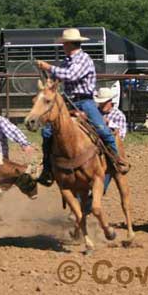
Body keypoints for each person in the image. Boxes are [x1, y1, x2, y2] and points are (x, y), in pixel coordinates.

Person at [35, 28, 129, 186]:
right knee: (47, 132)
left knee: (103, 129)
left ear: (71, 44)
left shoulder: (84, 59)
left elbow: (71, 75)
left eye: (64, 44)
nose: (63, 46)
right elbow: (58, 76)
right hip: (68, 102)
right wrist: (49, 80)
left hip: (85, 102)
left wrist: (48, 67)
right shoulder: (67, 61)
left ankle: (116, 160)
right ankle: (48, 167)